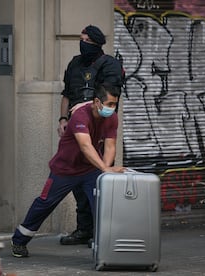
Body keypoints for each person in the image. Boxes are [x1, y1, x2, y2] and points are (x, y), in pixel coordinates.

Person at [11, 83, 126, 257]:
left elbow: (110, 146)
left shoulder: (112, 118)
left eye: (114, 104)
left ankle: (106, 249)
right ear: (97, 102)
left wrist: (104, 171)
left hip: (90, 169)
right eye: (109, 104)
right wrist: (104, 167)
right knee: (44, 203)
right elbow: (85, 145)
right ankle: (19, 240)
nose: (112, 108)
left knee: (103, 206)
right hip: (65, 169)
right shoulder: (80, 115)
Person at [57, 25, 123, 245]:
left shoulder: (110, 64)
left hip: (99, 131)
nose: (82, 42)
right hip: (76, 131)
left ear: (95, 42)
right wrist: (63, 120)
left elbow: (109, 96)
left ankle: (101, 231)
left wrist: (83, 107)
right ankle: (84, 229)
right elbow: (67, 94)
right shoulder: (75, 63)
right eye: (80, 38)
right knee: (78, 183)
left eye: (86, 39)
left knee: (98, 181)